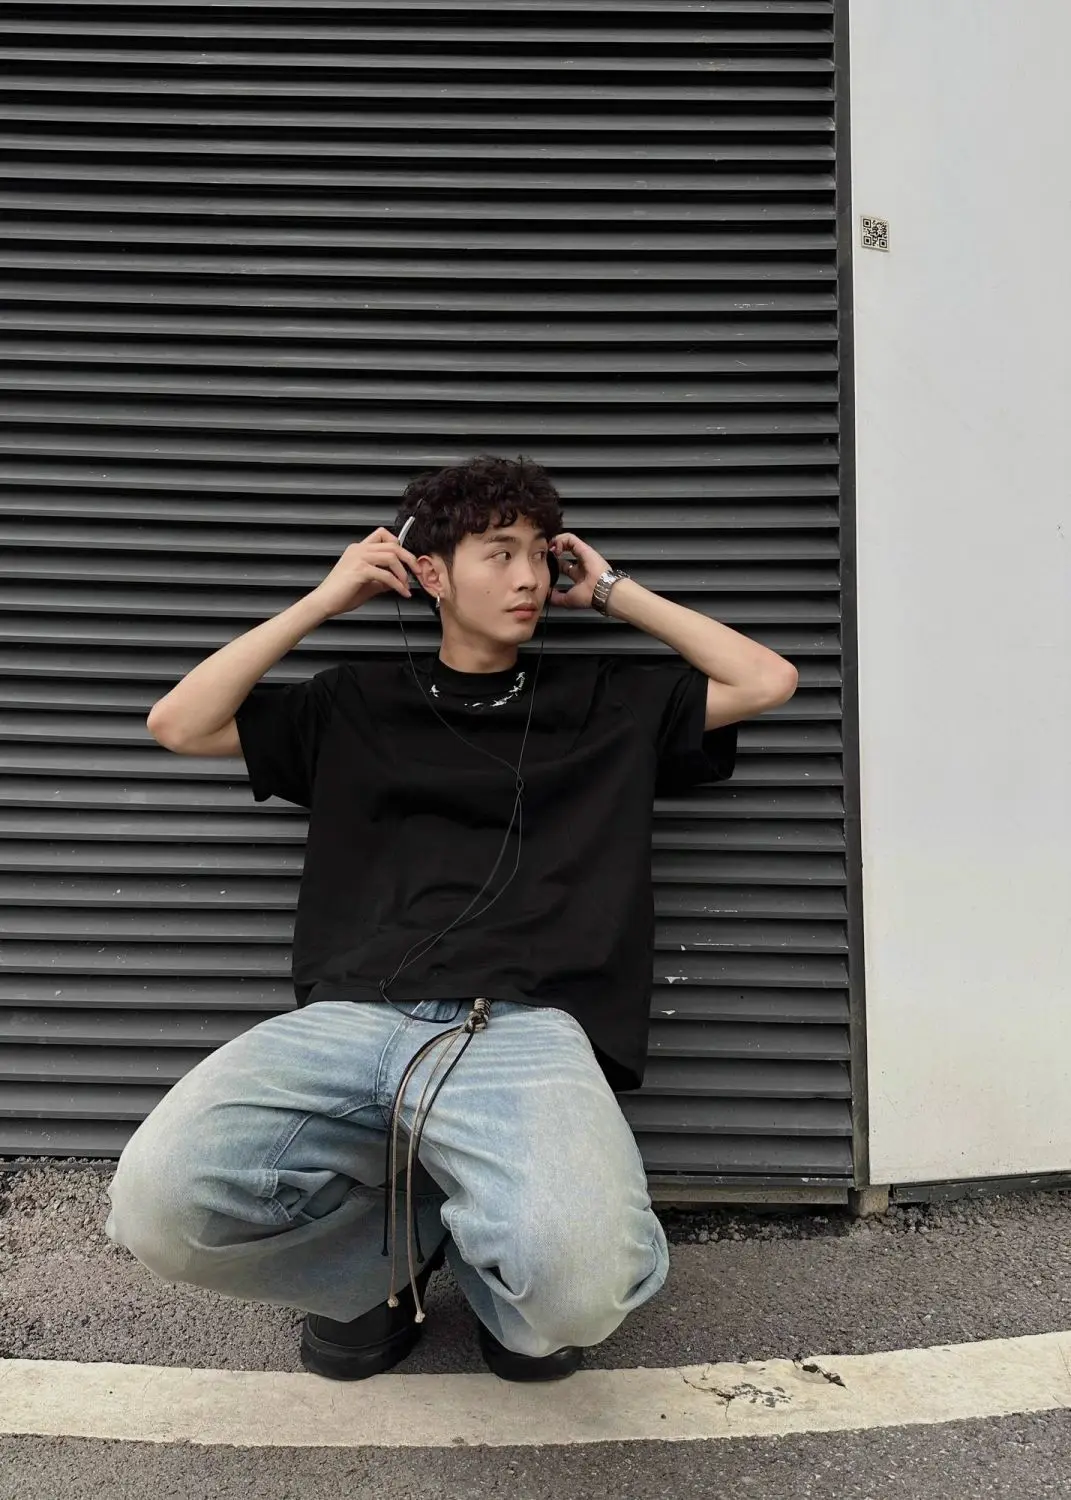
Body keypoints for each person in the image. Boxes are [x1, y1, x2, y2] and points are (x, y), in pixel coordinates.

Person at [104, 454, 798, 1384]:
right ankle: (389, 1261)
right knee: (158, 1208)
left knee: (579, 1293)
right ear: (429, 573)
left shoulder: (607, 700)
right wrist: (324, 601)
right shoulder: (352, 702)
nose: (527, 577)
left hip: (527, 1027)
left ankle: (500, 1287)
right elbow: (177, 724)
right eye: (498, 553)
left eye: (539, 554)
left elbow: (765, 679)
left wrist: (611, 591)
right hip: (352, 1016)